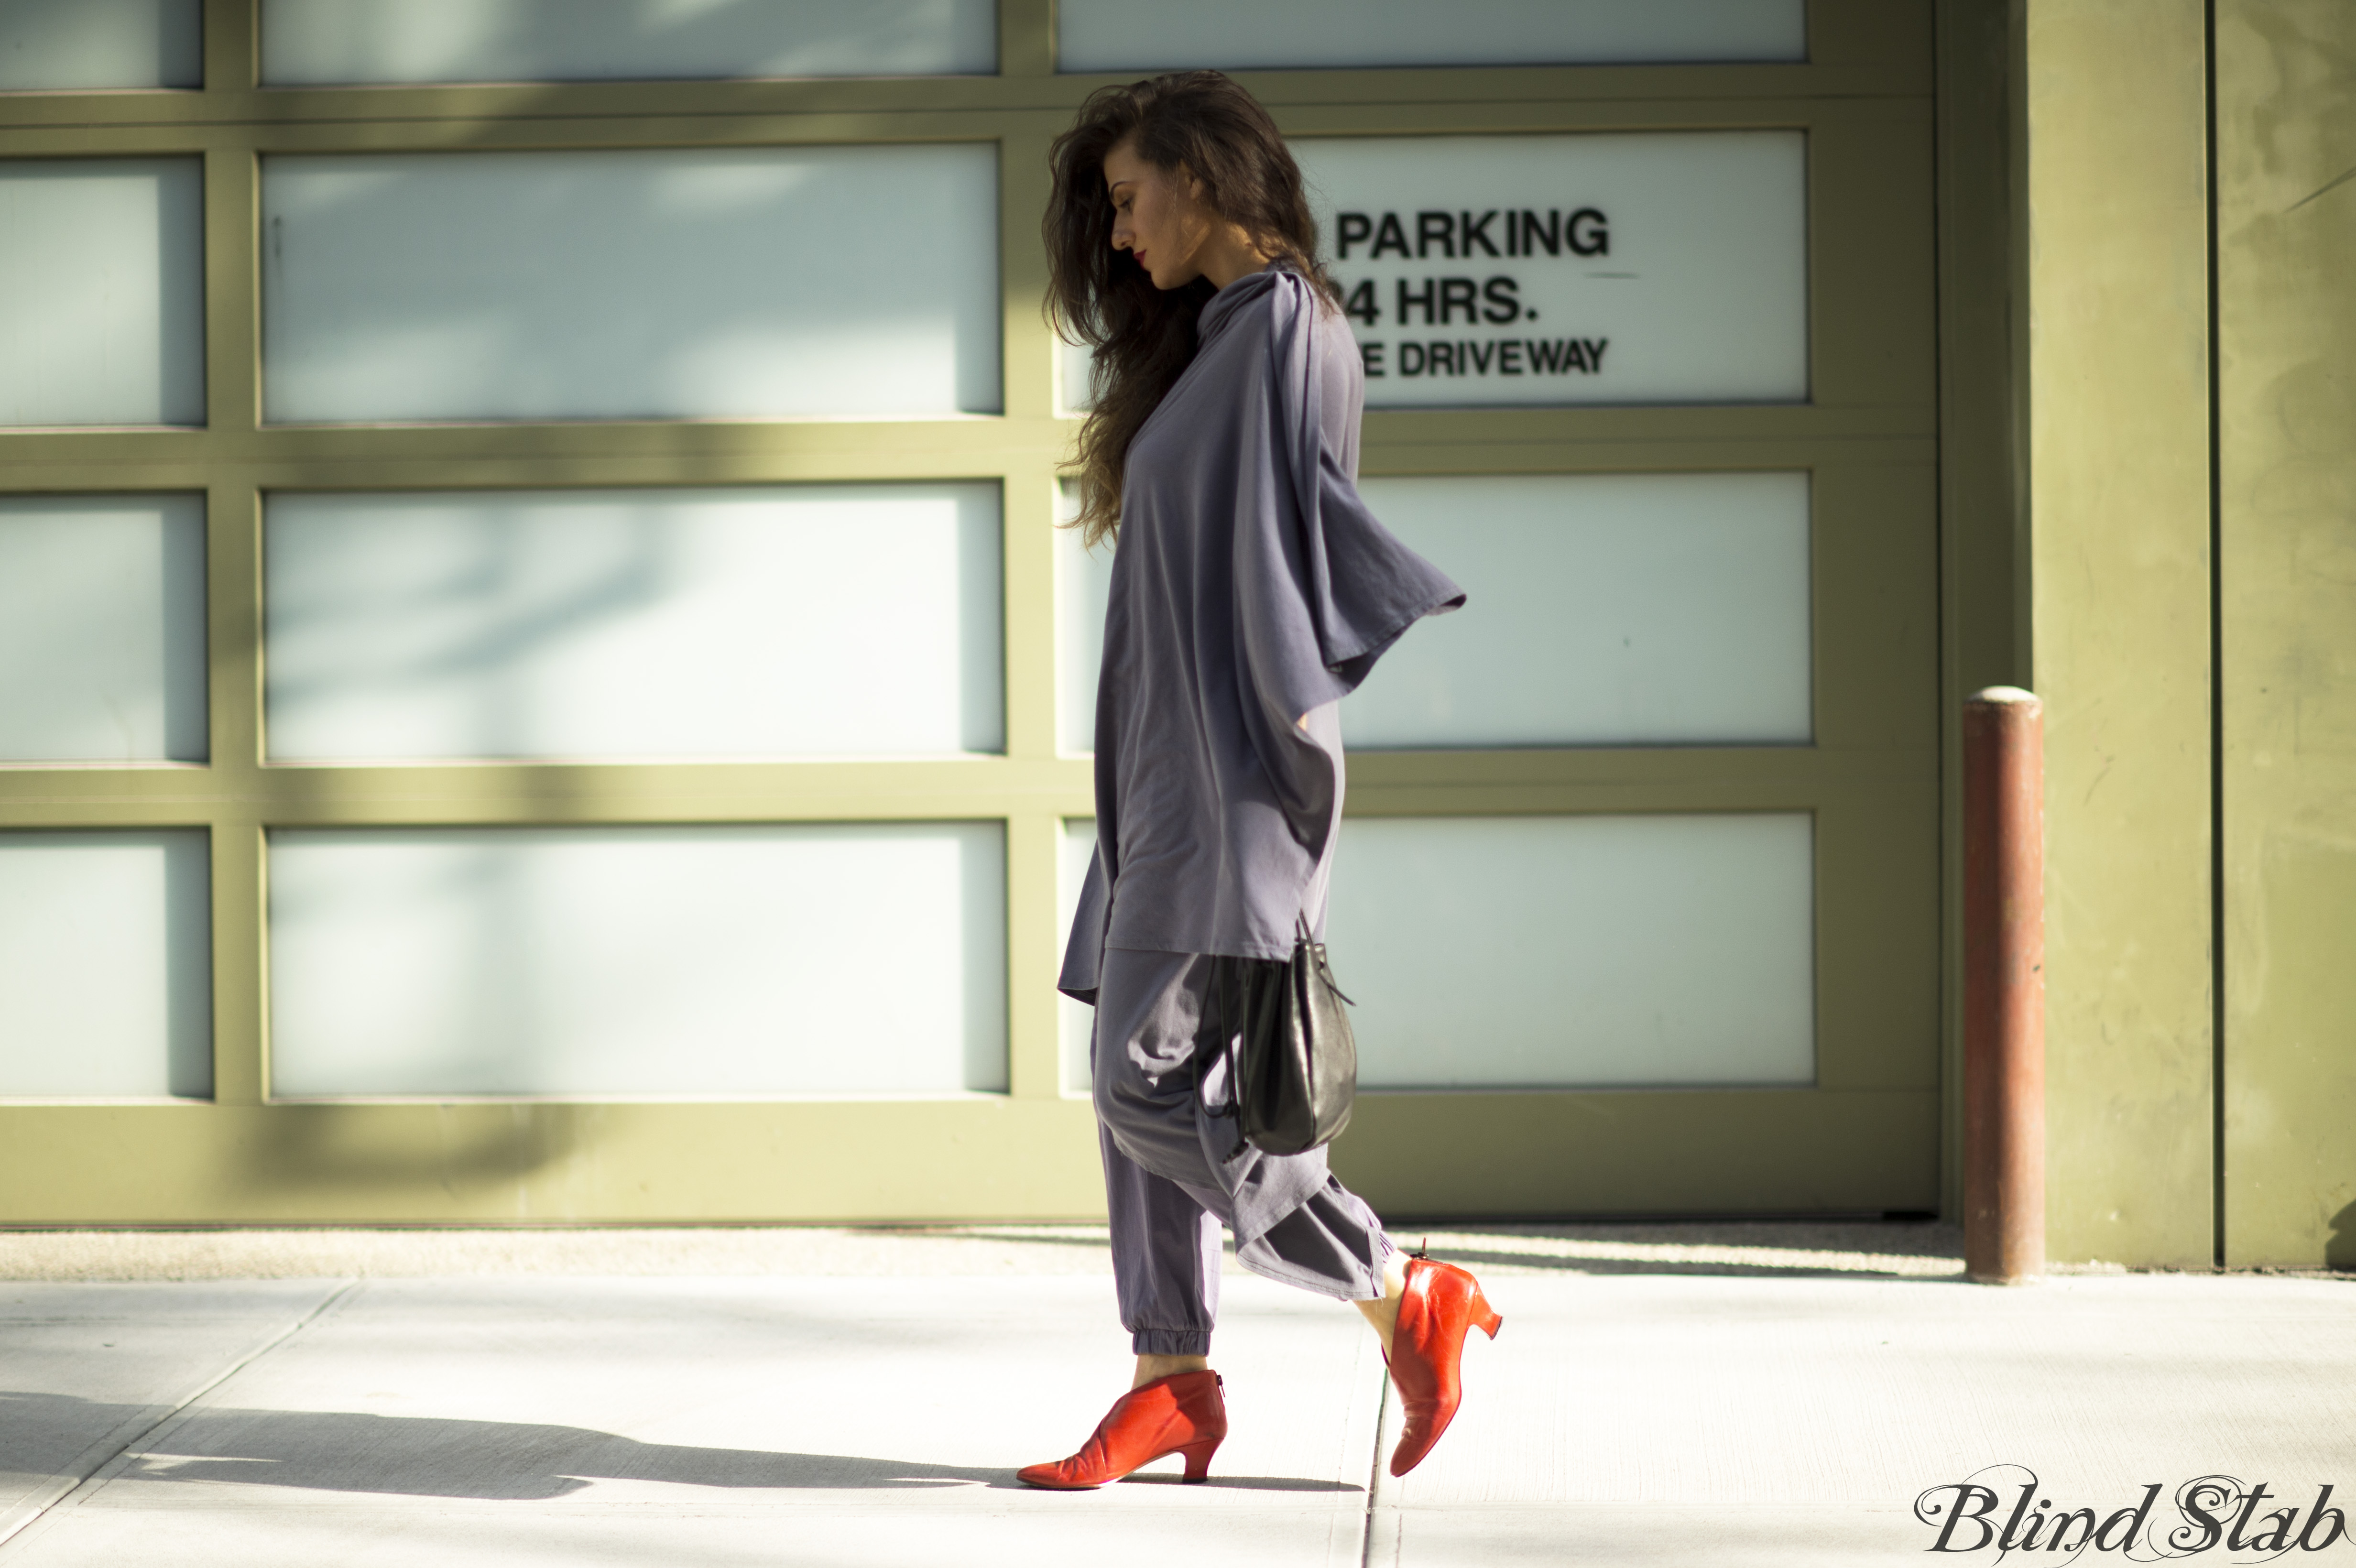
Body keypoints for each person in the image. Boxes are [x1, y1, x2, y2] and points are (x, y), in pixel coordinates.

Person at [1021, 71, 1498, 1492]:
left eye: (1128, 200)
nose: (1115, 237)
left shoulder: (1288, 328)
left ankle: (1397, 1285)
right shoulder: (1219, 338)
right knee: (1139, 1060)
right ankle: (1169, 1376)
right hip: (1158, 783)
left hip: (1224, 783)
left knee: (1138, 1089)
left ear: (1208, 176)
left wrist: (1283, 764)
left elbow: (1311, 541)